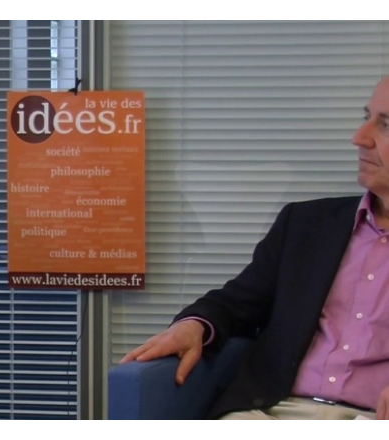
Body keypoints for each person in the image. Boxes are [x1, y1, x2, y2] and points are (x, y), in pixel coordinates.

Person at [121, 75, 389, 420]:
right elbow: (237, 304)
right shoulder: (308, 224)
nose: (359, 137)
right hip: (270, 411)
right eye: (366, 116)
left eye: (385, 125)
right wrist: (194, 325)